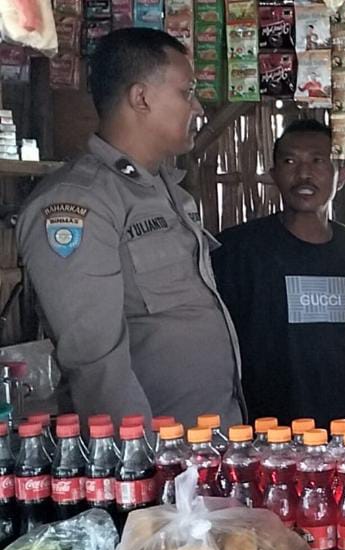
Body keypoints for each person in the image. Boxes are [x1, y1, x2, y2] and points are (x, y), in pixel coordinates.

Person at [16, 28, 244, 428]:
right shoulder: (78, 204)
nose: (198, 108)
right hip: (157, 460)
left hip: (207, 444)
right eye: (186, 92)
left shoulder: (168, 194)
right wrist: (139, 469)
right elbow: (96, 364)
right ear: (141, 98)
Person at [212, 119, 345, 427]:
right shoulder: (237, 250)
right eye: (289, 161)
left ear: (342, 176)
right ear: (274, 176)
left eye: (318, 161)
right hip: (267, 426)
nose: (304, 173)